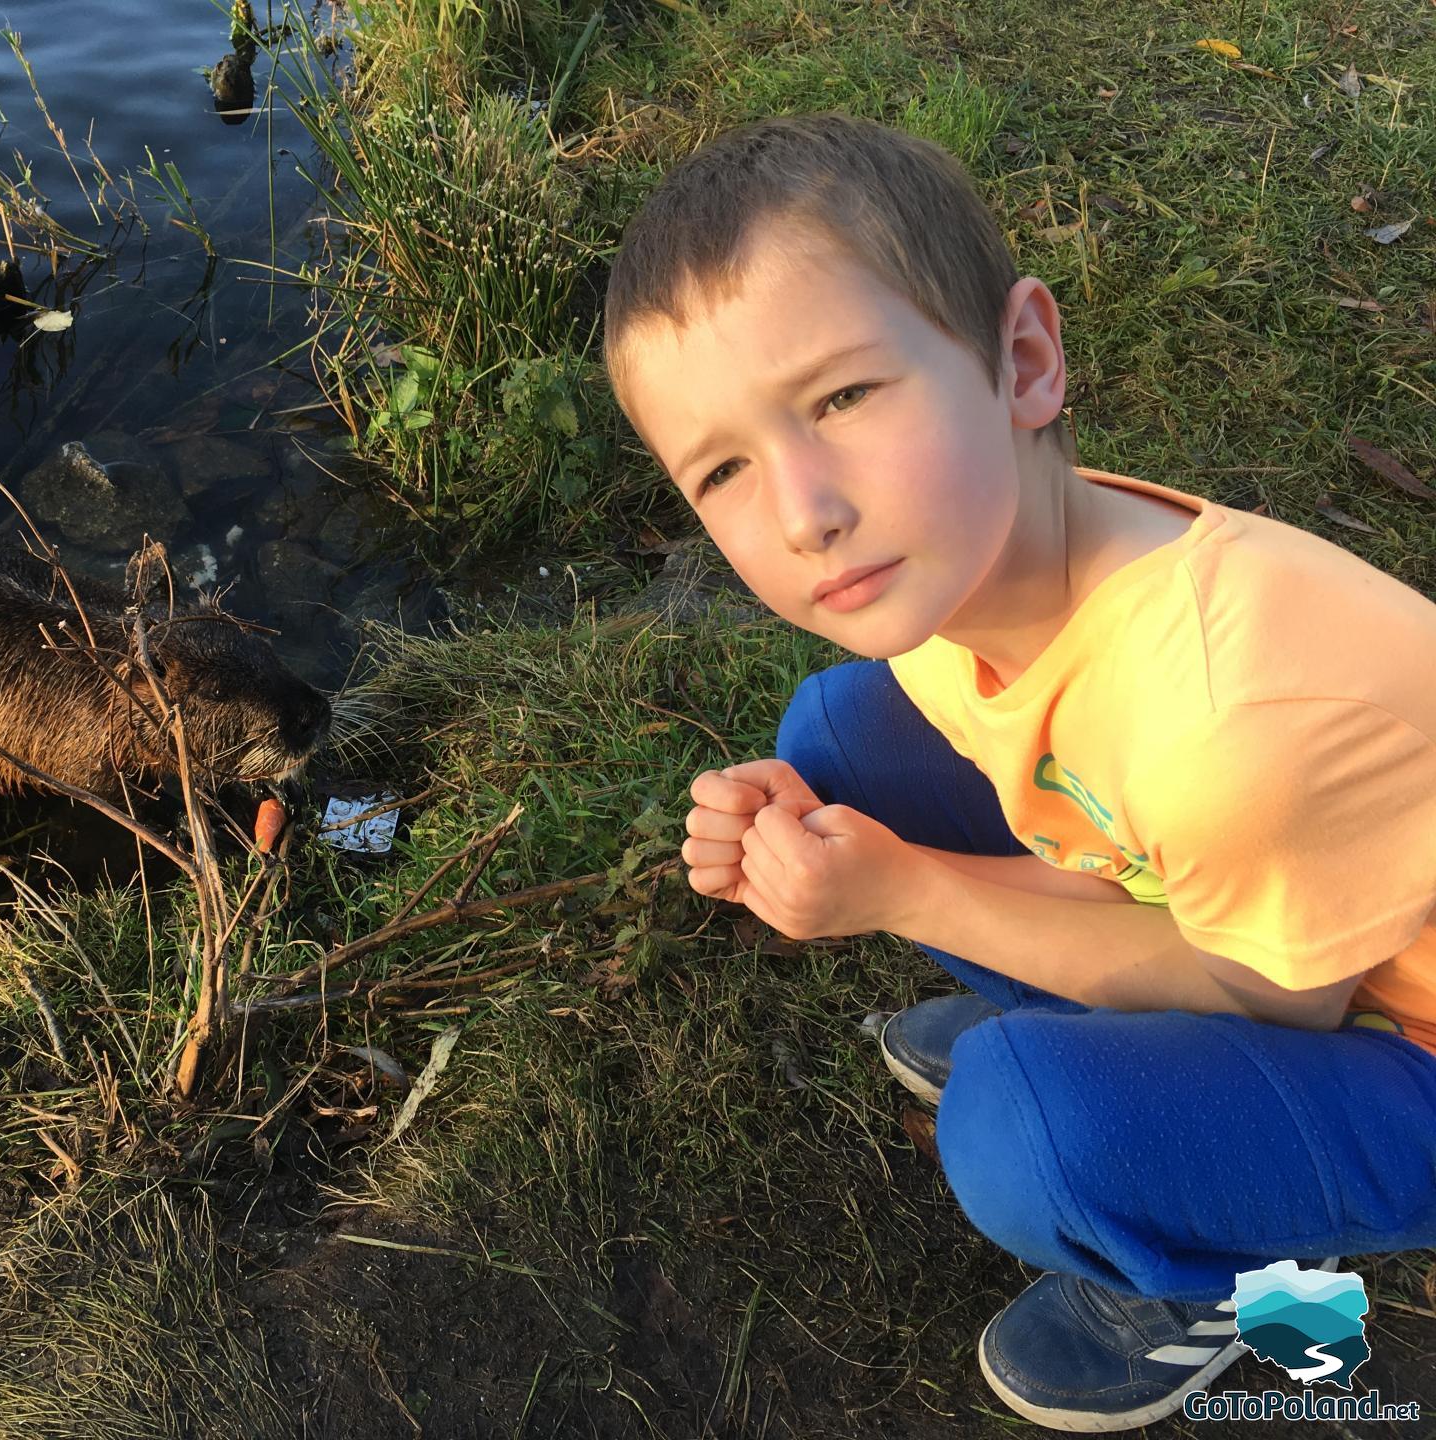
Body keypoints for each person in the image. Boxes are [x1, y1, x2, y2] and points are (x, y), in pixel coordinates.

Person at [604, 111, 1436, 1432]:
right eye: (724, 468)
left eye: (842, 396)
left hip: (1393, 1028)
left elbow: (1285, 1006)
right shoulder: (988, 568)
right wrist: (860, 854)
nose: (806, 510)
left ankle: (1235, 1280)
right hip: (1276, 927)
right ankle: (1135, 1071)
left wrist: (907, 892)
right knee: (840, 741)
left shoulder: (1229, 720)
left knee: (1028, 1132)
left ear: (1024, 361)